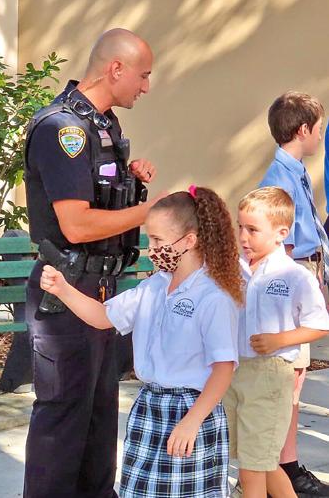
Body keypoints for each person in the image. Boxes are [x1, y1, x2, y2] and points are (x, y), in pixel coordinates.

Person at [23, 28, 162, 498]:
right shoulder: (62, 128)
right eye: (142, 76)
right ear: (114, 69)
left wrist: (130, 179)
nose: (146, 87)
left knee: (100, 413)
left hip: (102, 286)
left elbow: (98, 195)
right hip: (67, 289)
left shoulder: (102, 125)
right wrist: (151, 212)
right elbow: (77, 225)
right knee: (63, 416)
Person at [40, 187, 242, 498]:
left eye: (160, 241)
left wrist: (192, 422)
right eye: (151, 240)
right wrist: (63, 290)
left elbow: (223, 369)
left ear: (190, 240)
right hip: (150, 407)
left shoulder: (213, 297)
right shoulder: (153, 286)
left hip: (191, 411)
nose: (153, 250)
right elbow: (103, 317)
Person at [224, 187, 329, 497]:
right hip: (235, 372)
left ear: (281, 233)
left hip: (270, 376)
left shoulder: (294, 276)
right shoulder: (237, 271)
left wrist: (278, 340)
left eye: (252, 230)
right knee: (258, 459)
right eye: (240, 227)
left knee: (254, 466)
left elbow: (319, 324)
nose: (243, 236)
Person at [259, 92, 329, 496]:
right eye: (318, 129)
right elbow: (278, 247)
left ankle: (285, 463)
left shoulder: (294, 171)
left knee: (295, 380)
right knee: (288, 381)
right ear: (302, 130)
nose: (321, 136)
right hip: (293, 280)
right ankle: (282, 470)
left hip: (306, 274)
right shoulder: (279, 180)